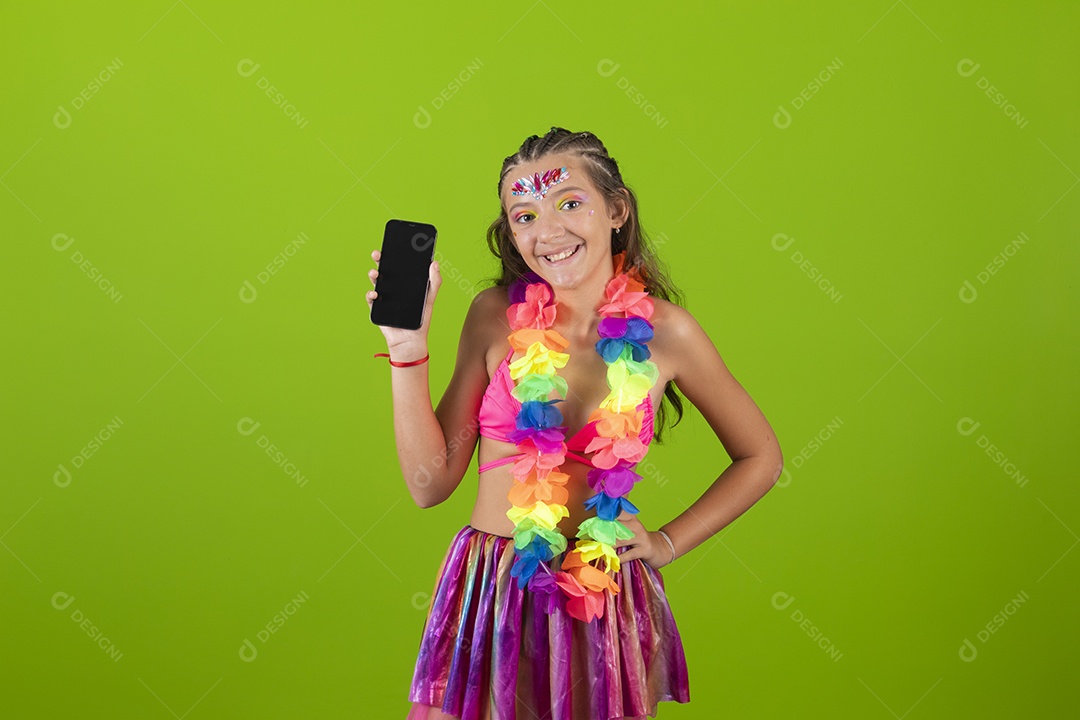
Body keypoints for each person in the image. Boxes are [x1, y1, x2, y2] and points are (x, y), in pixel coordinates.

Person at [366, 127, 783, 720]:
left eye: (569, 203)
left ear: (616, 210)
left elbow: (761, 456)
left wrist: (667, 543)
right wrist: (407, 351)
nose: (548, 232)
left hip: (599, 598)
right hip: (492, 590)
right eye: (524, 215)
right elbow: (429, 485)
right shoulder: (494, 316)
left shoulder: (671, 334)